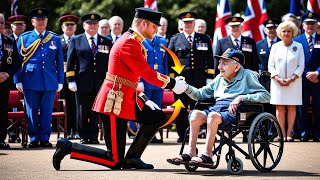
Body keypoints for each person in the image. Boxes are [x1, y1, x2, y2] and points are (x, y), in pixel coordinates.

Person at [52, 7, 187, 171]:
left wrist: (144, 98)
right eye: (154, 26)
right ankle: (68, 147)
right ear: (144, 24)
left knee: (156, 117)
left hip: (128, 98)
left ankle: (132, 158)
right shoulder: (129, 42)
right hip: (114, 102)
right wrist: (173, 85)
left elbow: (130, 78)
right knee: (114, 161)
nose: (156, 29)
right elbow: (147, 73)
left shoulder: (134, 40)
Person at [168, 48, 270, 164]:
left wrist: (242, 97)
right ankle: (191, 152)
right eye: (220, 62)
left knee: (212, 116)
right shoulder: (219, 78)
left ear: (237, 67)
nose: (219, 67)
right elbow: (199, 94)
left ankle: (208, 155)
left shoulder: (247, 75)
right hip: (217, 108)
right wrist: (185, 87)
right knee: (195, 114)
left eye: (224, 63)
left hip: (236, 111)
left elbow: (266, 96)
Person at [14, 8, 64, 148]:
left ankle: (45, 137)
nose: (41, 22)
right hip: (30, 80)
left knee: (47, 111)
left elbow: (59, 62)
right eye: (38, 20)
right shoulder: (25, 38)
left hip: (49, 80)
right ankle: (33, 137)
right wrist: (17, 79)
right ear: (32, 22)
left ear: (47, 21)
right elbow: (18, 61)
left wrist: (60, 80)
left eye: (43, 20)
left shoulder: (54, 38)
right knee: (32, 111)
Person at [66, 13, 112, 144]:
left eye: (95, 24)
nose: (92, 26)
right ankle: (83, 135)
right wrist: (71, 80)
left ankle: (93, 136)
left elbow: (109, 64)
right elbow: (70, 62)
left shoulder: (106, 42)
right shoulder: (76, 40)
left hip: (100, 83)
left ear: (98, 25)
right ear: (84, 25)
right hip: (81, 82)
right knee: (81, 111)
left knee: (95, 111)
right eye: (89, 23)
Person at [168, 12, 214, 142]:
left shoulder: (204, 38)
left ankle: (197, 133)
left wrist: (209, 78)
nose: (188, 25)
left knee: (197, 107)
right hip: (181, 81)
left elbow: (210, 60)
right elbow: (171, 60)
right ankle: (182, 135)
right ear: (181, 24)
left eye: (191, 22)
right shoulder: (175, 39)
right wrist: (173, 80)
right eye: (186, 22)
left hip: (199, 81)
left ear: (194, 24)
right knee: (181, 107)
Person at [268, 21, 305, 142]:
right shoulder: (275, 46)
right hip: (277, 82)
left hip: (294, 82)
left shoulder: (298, 46)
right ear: (280, 32)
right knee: (279, 107)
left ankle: (289, 133)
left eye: (289, 31)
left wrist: (291, 79)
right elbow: (270, 65)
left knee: (292, 107)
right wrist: (277, 78)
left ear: (293, 32)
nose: (286, 33)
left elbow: (301, 65)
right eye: (284, 31)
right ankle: (281, 133)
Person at [293, 13, 320, 142]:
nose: (310, 25)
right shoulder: (297, 40)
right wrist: (306, 73)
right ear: (303, 25)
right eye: (307, 23)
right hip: (302, 79)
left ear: (316, 25)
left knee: (318, 107)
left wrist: (318, 73)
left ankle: (317, 132)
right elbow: (295, 61)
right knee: (301, 108)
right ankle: (303, 132)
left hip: (318, 80)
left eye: (312, 23)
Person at [139, 34, 169, 143]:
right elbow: (138, 62)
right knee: (145, 108)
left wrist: (166, 80)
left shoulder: (162, 40)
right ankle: (142, 135)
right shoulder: (140, 40)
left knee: (157, 109)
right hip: (145, 79)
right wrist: (139, 81)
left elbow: (165, 61)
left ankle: (152, 135)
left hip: (159, 80)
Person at [0, 13, 20, 149]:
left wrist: (7, 74)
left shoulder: (9, 41)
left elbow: (16, 62)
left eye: (2, 23)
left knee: (2, 112)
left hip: (4, 82)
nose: (0, 25)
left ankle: (1, 139)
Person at [7, 14, 27, 143]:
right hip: (9, 80)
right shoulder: (7, 40)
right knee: (10, 107)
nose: (19, 27)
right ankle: (12, 133)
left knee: (23, 107)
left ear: (25, 26)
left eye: (21, 24)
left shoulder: (29, 38)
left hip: (26, 78)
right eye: (16, 25)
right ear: (11, 26)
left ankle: (23, 133)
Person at [59, 14, 79, 140]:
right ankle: (64, 131)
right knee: (63, 105)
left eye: (72, 25)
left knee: (75, 105)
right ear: (62, 27)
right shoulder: (57, 40)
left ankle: (76, 130)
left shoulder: (80, 40)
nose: (70, 27)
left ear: (76, 27)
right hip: (61, 77)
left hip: (76, 77)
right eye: (67, 25)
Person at [256, 18, 281, 116]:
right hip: (264, 80)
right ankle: (265, 128)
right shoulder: (258, 44)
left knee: (277, 105)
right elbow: (256, 62)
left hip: (279, 78)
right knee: (264, 104)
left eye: (273, 28)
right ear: (265, 30)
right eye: (269, 28)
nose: (271, 30)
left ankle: (275, 129)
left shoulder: (282, 43)